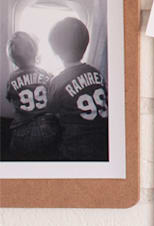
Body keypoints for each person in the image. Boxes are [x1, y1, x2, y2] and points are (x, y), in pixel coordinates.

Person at [47, 18, 108, 162]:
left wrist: (50, 85)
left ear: (55, 51)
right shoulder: (97, 73)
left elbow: (51, 109)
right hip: (103, 145)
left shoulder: (57, 81)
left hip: (74, 150)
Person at [3, 32, 58, 161]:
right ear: (35, 52)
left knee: (14, 153)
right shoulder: (45, 74)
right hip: (48, 126)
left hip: (22, 131)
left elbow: (10, 98)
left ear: (13, 59)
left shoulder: (12, 78)